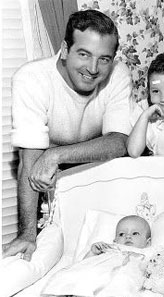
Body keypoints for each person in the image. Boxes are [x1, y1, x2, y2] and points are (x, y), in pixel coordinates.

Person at [3, 10, 138, 261]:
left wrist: (55, 154)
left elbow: (119, 142)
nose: (93, 69)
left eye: (104, 59)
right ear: (65, 49)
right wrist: (27, 235)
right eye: (84, 54)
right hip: (53, 191)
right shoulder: (32, 79)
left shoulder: (119, 75)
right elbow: (30, 162)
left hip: (103, 186)